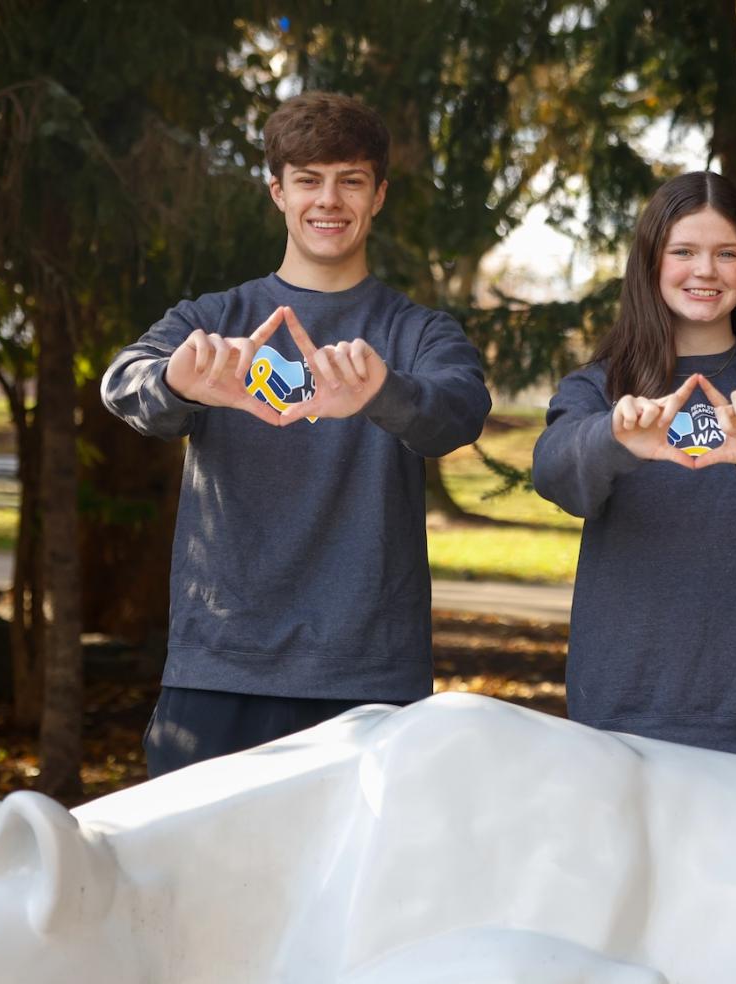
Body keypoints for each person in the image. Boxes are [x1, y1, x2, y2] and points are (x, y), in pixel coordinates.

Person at [102, 92, 490, 776]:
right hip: (219, 667)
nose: (329, 199)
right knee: (201, 879)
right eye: (309, 179)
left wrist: (381, 392)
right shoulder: (217, 318)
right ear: (278, 191)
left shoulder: (418, 332)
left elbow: (458, 411)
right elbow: (123, 381)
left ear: (379, 196)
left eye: (351, 180)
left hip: (368, 679)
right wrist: (177, 384)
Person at [531, 171, 736, 767]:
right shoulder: (600, 388)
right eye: (683, 251)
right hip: (621, 715)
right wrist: (613, 438)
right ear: (651, 263)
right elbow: (555, 473)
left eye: (725, 253)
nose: (704, 271)